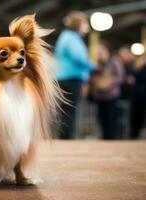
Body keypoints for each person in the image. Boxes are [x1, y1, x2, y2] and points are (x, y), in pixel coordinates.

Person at [54, 11, 93, 139]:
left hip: (65, 78)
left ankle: (65, 138)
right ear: (78, 24)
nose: (86, 27)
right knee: (69, 112)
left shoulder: (66, 36)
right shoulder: (71, 37)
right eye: (85, 23)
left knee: (67, 111)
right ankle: (66, 139)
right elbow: (79, 58)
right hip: (71, 79)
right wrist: (93, 67)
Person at [91, 41, 124, 140]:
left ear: (107, 50)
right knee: (101, 121)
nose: (99, 52)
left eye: (102, 49)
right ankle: (105, 140)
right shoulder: (97, 64)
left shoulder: (114, 62)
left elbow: (120, 77)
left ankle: (112, 141)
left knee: (111, 121)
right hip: (99, 97)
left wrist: (110, 82)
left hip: (111, 96)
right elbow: (92, 78)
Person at [130, 54, 146, 139]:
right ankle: (134, 135)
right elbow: (132, 78)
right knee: (136, 116)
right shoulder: (138, 66)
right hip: (137, 96)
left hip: (141, 94)